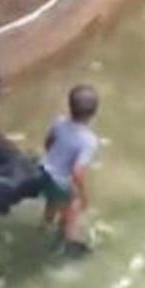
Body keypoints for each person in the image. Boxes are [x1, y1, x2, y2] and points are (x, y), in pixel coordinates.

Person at [40, 85, 101, 255]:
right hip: (61, 180)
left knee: (51, 200)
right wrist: (82, 195)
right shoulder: (89, 141)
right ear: (93, 113)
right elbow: (77, 173)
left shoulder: (58, 122)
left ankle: (45, 225)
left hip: (44, 171)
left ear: (70, 106)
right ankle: (69, 242)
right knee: (73, 207)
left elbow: (48, 143)